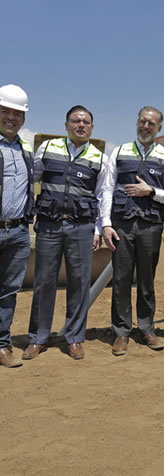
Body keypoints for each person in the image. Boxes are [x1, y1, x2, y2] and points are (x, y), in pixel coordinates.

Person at [22, 106, 106, 361]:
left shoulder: (98, 157)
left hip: (81, 227)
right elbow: (31, 179)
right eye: (76, 121)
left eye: (86, 122)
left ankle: (75, 338)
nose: (81, 125)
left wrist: (99, 229)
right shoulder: (48, 149)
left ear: (92, 127)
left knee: (79, 284)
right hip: (49, 225)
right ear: (66, 124)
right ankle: (38, 338)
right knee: (43, 282)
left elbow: (102, 195)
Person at [101, 106, 164, 356]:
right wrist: (105, 223)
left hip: (150, 226)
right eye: (143, 122)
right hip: (122, 224)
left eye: (152, 124)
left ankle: (147, 328)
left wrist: (151, 192)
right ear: (137, 123)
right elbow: (106, 188)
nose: (146, 127)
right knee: (122, 279)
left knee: (147, 279)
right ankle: (121, 333)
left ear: (159, 128)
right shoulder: (120, 152)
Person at [0, 84, 33, 368]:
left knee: (8, 292)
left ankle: (1, 345)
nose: (11, 117)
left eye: (17, 113)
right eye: (5, 111)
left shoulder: (25, 150)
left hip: (18, 232)